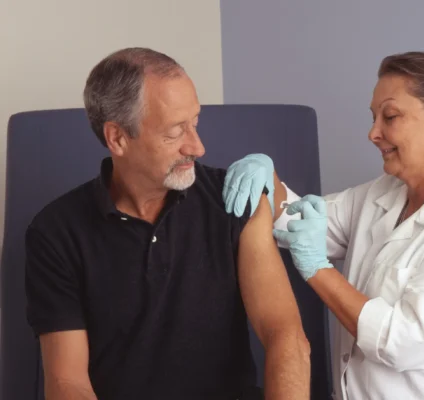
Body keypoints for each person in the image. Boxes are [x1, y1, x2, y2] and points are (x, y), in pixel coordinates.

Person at [222, 51, 424, 399]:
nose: (373, 133)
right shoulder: (381, 195)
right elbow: (297, 219)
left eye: (390, 116)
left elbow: (402, 342)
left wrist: (318, 270)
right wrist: (267, 178)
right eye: (374, 117)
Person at [25, 47, 310, 400]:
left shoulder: (235, 201)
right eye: (176, 132)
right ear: (117, 138)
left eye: (195, 123)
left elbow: (286, 337)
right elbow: (68, 382)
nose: (198, 146)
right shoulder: (56, 232)